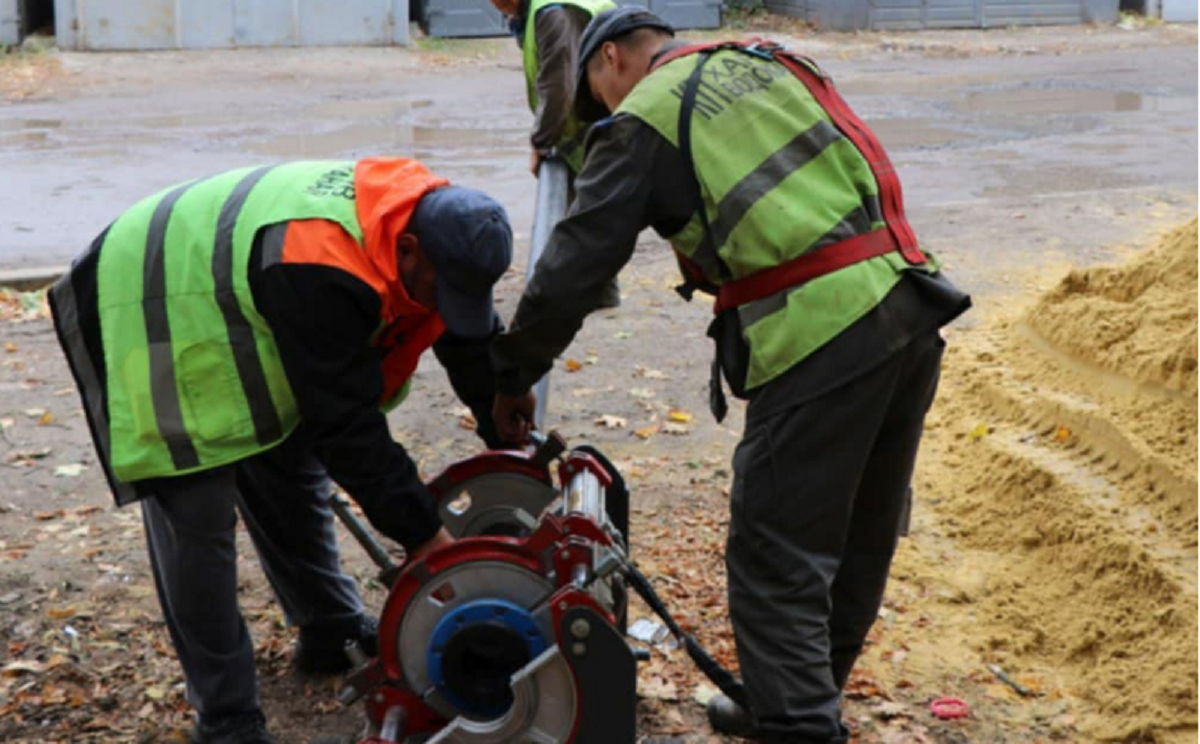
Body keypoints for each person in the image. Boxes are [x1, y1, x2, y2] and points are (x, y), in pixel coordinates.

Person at [490, 9, 971, 742]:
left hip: (821, 330)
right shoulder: (763, 58)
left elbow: (577, 260)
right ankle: (791, 697)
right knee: (853, 535)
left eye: (597, 100)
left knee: (776, 554)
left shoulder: (645, 111)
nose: (603, 118)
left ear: (610, 59)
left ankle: (799, 726)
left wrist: (514, 371)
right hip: (908, 299)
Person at [49, 157, 530, 744]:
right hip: (156, 295)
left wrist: (497, 407)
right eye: (440, 287)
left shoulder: (437, 226)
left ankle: (329, 629)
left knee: (286, 457)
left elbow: (457, 328)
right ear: (406, 249)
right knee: (196, 512)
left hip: (239, 295)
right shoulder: (324, 265)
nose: (443, 301)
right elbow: (347, 426)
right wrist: (424, 536)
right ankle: (226, 717)